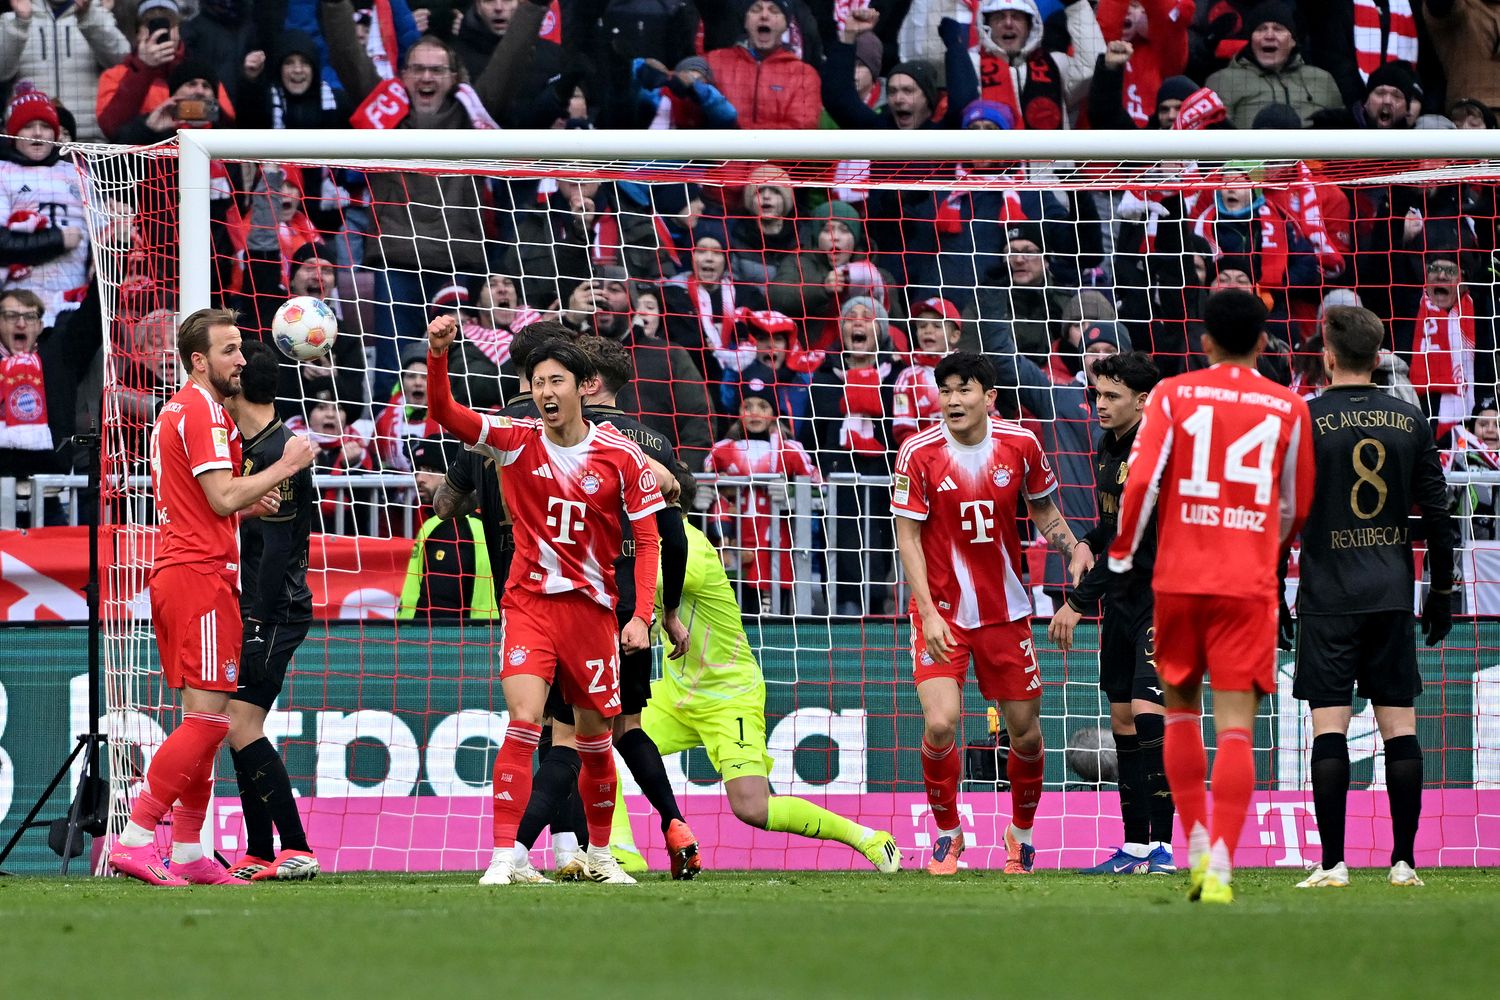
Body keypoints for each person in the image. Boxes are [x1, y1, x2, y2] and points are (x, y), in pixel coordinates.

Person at [423, 315, 665, 887]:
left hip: (593, 611)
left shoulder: (621, 456)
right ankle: (505, 856)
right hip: (529, 605)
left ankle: (601, 855)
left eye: (556, 381)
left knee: (594, 738)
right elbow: (447, 416)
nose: (545, 392)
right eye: (537, 382)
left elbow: (650, 538)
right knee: (524, 722)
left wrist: (642, 616)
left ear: (582, 387)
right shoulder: (514, 441)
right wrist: (438, 357)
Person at [1107, 288, 1316, 904]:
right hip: (1244, 584)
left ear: (1203, 343)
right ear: (1261, 342)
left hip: (1177, 578)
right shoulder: (1288, 407)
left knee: (1177, 714)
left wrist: (1122, 553)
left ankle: (1195, 841)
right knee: (1236, 732)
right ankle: (1220, 860)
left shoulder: (1173, 394)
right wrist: (1260, 549)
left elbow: (1141, 481)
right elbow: (1295, 508)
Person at [108, 308, 317, 886]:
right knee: (209, 721)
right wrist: (285, 465)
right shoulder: (199, 410)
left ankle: (190, 852)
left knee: (206, 719)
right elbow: (221, 499)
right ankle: (136, 836)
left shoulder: (189, 410)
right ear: (199, 360)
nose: (242, 360)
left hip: (193, 570)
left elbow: (209, 499)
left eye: (241, 350)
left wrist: (249, 503)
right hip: (198, 575)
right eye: (230, 350)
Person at [610, 510, 901, 875]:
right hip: (677, 693)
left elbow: (643, 586)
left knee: (752, 808)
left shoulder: (690, 546)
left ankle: (867, 838)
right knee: (602, 739)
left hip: (728, 696)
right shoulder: (646, 544)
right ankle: (623, 854)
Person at [892, 351, 1084, 876]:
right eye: (946, 390)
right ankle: (950, 834)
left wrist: (1073, 549)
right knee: (940, 723)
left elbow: (1043, 509)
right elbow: (906, 534)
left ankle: (1019, 837)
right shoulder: (918, 451)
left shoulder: (1021, 443)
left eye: (964, 390)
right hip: (943, 613)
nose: (953, 400)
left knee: (1025, 733)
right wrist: (927, 612)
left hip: (1006, 611)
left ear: (989, 397)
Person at [1293, 306, 1454, 889]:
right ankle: (1404, 862)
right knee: (1400, 729)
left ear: (1328, 357)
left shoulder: (1303, 419)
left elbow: (1283, 514)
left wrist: (1270, 589)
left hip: (1327, 594)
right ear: (1381, 356)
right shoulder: (1410, 417)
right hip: (1390, 592)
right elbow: (1438, 514)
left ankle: (1333, 862)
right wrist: (1443, 589)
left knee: (1329, 730)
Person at [1048, 352, 1176, 875]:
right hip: (1123, 604)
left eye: (1111, 396)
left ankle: (1165, 849)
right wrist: (1083, 542)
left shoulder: (1156, 453)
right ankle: (1137, 847)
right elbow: (1110, 527)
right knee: (1122, 721)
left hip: (1162, 601)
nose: (1099, 405)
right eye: (1096, 395)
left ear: (1143, 401)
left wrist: (1077, 603)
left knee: (1151, 719)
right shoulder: (1109, 445)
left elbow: (1132, 542)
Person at [223, 341, 321, 882]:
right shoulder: (249, 444)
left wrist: (258, 622)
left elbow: (280, 548)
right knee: (239, 724)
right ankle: (259, 850)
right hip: (255, 605)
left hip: (275, 607)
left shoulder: (281, 451)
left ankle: (297, 847)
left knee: (241, 721)